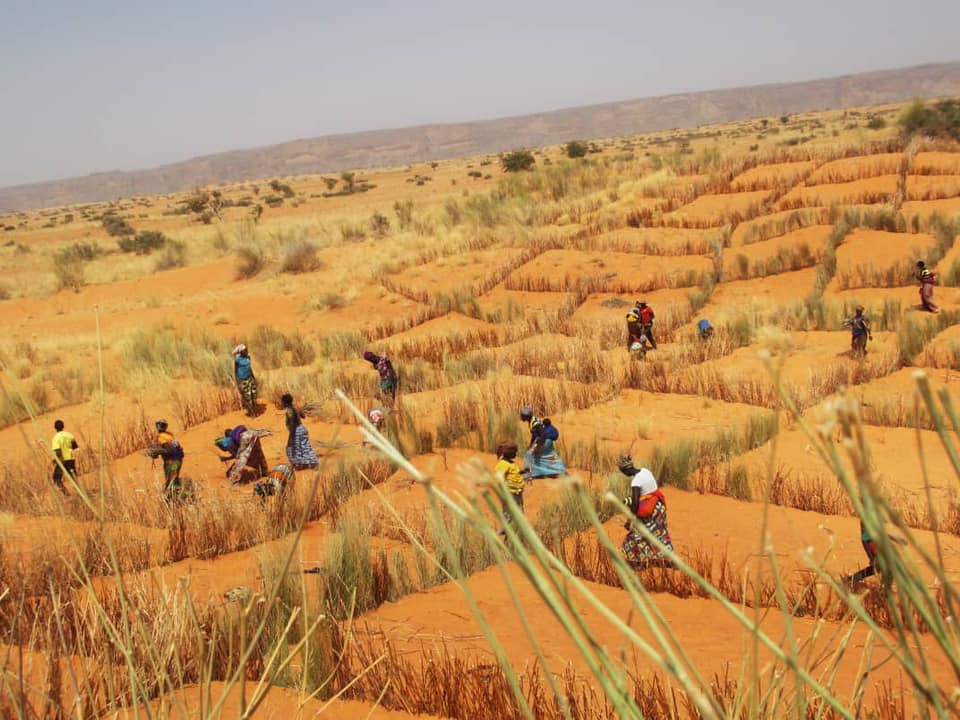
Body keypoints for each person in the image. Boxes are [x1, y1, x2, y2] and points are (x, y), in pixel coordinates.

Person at [617, 454, 674, 568]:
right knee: (660, 534)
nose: (624, 474)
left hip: (649, 512)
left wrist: (629, 521)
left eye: (623, 472)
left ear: (626, 470)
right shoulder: (645, 471)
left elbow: (636, 503)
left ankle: (639, 563)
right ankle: (666, 561)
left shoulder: (635, 482)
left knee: (635, 537)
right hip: (659, 507)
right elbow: (647, 492)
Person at [842, 519, 907, 587]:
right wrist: (871, 558)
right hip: (875, 551)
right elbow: (864, 540)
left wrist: (895, 539)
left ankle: (851, 579)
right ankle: (885, 589)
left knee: (876, 569)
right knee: (888, 569)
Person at [519, 406, 567, 479]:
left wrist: (538, 446)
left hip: (545, 441)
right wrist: (531, 444)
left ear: (526, 416)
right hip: (546, 441)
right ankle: (560, 470)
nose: (521, 417)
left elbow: (543, 434)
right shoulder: (532, 421)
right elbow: (535, 435)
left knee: (532, 454)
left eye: (522, 415)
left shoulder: (535, 422)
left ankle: (532, 474)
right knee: (549, 455)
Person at [494, 441, 529, 536]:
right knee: (509, 511)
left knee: (519, 510)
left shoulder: (511, 464)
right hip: (509, 492)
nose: (515, 454)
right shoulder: (503, 464)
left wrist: (523, 472)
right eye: (514, 452)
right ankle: (506, 529)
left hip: (517, 492)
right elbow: (499, 476)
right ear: (508, 453)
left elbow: (514, 473)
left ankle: (515, 528)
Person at [146, 419, 185, 496]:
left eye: (161, 425)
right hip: (178, 459)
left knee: (171, 482)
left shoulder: (161, 437)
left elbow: (168, 449)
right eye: (159, 425)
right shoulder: (169, 435)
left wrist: (156, 452)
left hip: (171, 461)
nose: (159, 427)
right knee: (174, 479)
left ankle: (176, 498)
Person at [281, 393, 318, 469]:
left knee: (291, 448)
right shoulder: (296, 407)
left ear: (285, 402)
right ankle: (314, 462)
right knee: (305, 446)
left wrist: (291, 432)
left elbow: (292, 422)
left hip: (296, 430)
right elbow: (303, 416)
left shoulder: (289, 411)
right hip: (302, 428)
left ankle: (298, 464)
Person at [51, 419, 78, 494]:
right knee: (73, 477)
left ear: (55, 428)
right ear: (63, 426)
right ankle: (81, 493)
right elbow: (75, 447)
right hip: (71, 459)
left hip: (62, 461)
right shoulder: (69, 435)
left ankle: (66, 494)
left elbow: (58, 452)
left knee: (56, 478)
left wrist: (55, 460)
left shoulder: (56, 438)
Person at [233, 344, 259, 416]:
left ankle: (252, 410)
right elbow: (235, 372)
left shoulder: (248, 358)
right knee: (246, 397)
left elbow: (249, 369)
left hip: (250, 378)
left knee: (253, 395)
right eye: (245, 350)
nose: (247, 351)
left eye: (247, 350)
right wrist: (238, 383)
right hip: (242, 380)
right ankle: (252, 413)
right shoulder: (237, 360)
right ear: (241, 352)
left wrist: (254, 378)